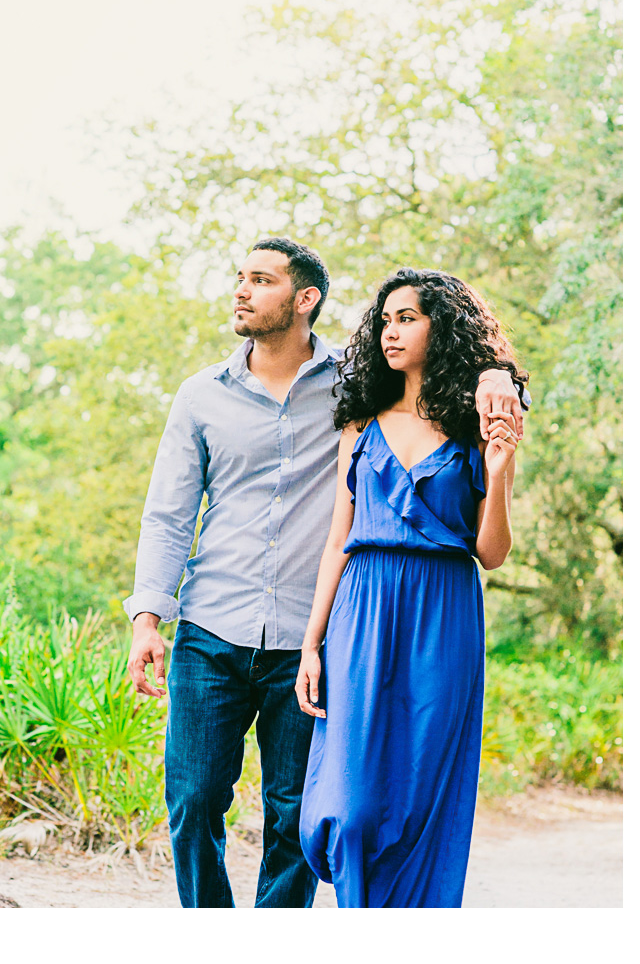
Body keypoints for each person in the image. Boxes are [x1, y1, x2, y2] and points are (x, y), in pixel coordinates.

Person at [124, 240, 527, 908]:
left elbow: (474, 363)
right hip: (215, 623)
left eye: (260, 279)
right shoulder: (203, 397)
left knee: (295, 815)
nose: (241, 291)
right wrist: (147, 618)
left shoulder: (352, 381)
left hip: (327, 630)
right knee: (193, 800)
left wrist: (499, 383)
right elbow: (167, 515)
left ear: (304, 297)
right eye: (239, 278)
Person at [295, 268, 528, 908]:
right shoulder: (361, 422)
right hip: (362, 610)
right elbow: (338, 537)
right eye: (387, 320)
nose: (392, 331)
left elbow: (492, 552)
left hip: (443, 610)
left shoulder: (475, 424)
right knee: (350, 806)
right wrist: (312, 645)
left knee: (423, 796)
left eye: (409, 319)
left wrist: (500, 469)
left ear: (441, 328)